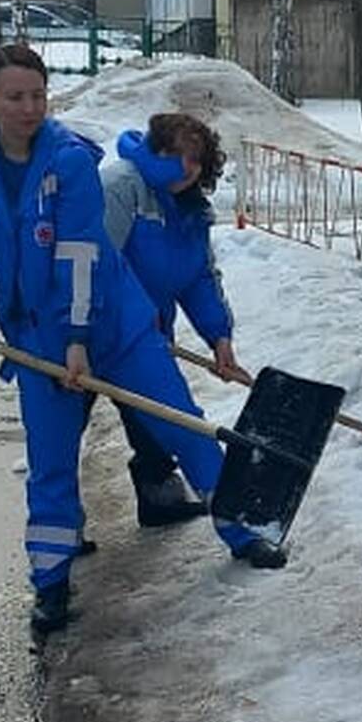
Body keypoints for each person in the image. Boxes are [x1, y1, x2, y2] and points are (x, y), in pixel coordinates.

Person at [0, 43, 286, 645]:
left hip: (114, 324)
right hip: (34, 336)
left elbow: (83, 257)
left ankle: (243, 531)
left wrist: (80, 340)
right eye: (15, 97)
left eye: (38, 95)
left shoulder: (69, 162)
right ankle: (51, 580)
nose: (29, 107)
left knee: (183, 426)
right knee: (51, 458)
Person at [98, 112, 242, 531]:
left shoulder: (190, 209)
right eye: (176, 155)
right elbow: (97, 268)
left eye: (197, 159)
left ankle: (167, 498)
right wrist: (82, 338)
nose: (187, 168)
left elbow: (197, 276)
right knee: (62, 434)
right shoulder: (121, 186)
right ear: (155, 150)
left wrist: (219, 336)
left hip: (143, 334)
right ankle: (61, 540)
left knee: (166, 422)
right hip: (89, 329)